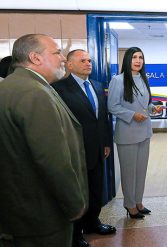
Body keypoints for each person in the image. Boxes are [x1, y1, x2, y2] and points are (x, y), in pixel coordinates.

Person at [0, 34, 88, 247]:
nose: (63, 59)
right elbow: (51, 160)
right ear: (35, 58)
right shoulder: (34, 93)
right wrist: (74, 205)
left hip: (19, 208)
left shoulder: (13, 86)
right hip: (43, 214)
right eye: (57, 52)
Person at [52, 49, 116, 247]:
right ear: (69, 65)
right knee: (78, 193)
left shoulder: (97, 86)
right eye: (83, 60)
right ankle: (75, 233)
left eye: (89, 60)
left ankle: (92, 223)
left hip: (97, 150)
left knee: (96, 190)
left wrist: (106, 143)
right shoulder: (58, 89)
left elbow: (103, 118)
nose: (88, 63)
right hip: (75, 151)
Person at [108, 47, 161, 219]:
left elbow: (145, 105)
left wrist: (154, 108)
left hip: (144, 131)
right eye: (134, 57)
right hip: (127, 133)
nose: (138, 61)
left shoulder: (144, 79)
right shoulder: (118, 80)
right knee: (129, 172)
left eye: (141, 58)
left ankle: (138, 201)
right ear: (127, 60)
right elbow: (113, 106)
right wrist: (132, 115)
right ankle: (129, 205)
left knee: (140, 171)